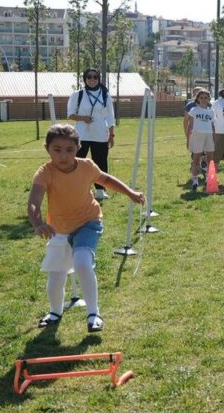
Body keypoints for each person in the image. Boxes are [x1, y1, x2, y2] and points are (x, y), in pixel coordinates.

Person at [29, 124, 145, 332]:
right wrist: (38, 223)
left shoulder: (87, 166)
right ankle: (55, 312)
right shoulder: (45, 172)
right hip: (59, 228)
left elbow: (106, 179)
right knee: (56, 277)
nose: (63, 156)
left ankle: (93, 314)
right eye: (57, 150)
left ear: (78, 148)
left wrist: (130, 193)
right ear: (47, 149)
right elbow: (33, 203)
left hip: (88, 222)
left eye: (69, 150)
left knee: (82, 262)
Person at [67, 68, 116, 200]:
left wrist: (111, 135)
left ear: (98, 79)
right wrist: (82, 118)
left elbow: (110, 116)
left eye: (95, 77)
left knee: (100, 162)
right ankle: (76, 188)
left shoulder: (105, 95)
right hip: (81, 135)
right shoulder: (77, 95)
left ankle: (100, 190)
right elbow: (70, 114)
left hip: (100, 135)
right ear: (85, 79)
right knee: (78, 162)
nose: (92, 79)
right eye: (89, 77)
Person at [184, 89, 216, 191]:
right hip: (197, 136)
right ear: (197, 99)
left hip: (208, 135)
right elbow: (189, 125)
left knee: (209, 159)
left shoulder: (211, 111)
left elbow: (213, 126)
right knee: (196, 159)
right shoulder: (194, 110)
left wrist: (214, 138)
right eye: (201, 98)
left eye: (205, 98)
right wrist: (188, 139)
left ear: (209, 99)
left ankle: (208, 179)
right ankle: (195, 180)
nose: (203, 100)